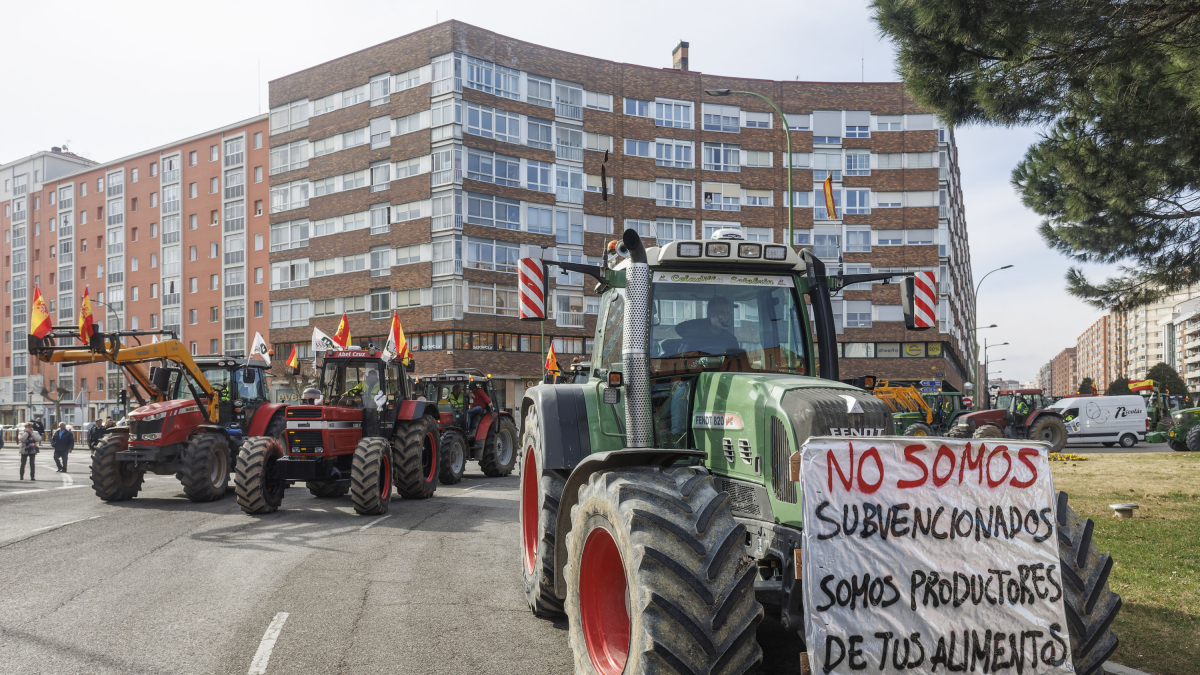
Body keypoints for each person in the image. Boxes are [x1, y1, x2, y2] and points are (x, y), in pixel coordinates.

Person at [674, 296, 741, 356]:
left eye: (727, 313)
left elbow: (736, 362)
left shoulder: (730, 339)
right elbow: (679, 328)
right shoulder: (695, 334)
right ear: (709, 313)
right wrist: (710, 321)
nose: (724, 316)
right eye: (721, 312)